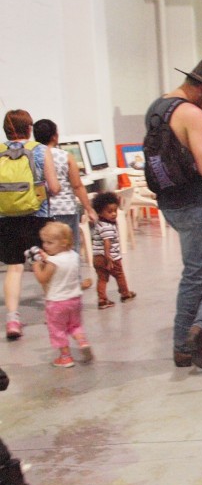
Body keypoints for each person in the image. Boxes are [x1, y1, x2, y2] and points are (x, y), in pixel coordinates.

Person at [145, 59, 202, 372]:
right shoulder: (192, 113)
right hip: (196, 204)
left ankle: (195, 335)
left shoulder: (158, 107)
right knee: (198, 275)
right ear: (201, 88)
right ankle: (189, 341)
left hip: (171, 202)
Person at [1, 110, 59, 341]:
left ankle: (13, 319)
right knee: (42, 261)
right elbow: (53, 187)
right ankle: (53, 312)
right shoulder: (40, 150)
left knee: (14, 267)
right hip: (38, 214)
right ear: (29, 128)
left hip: (5, 217)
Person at [32, 119, 97, 289]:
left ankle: (50, 283)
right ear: (55, 136)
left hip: (41, 209)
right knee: (70, 247)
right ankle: (74, 281)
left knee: (46, 248)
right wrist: (89, 208)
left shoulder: (33, 155)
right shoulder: (65, 156)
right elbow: (77, 185)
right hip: (65, 208)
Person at [29, 221, 91, 367]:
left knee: (58, 330)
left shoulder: (53, 262)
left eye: (49, 243)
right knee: (75, 325)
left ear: (63, 243)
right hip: (75, 299)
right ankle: (82, 341)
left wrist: (36, 265)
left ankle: (65, 357)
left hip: (57, 302)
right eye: (44, 242)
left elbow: (42, 278)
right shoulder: (74, 256)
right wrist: (47, 258)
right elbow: (62, 266)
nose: (45, 245)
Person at [90, 191, 135, 309]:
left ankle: (102, 299)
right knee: (119, 275)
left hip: (97, 257)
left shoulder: (98, 224)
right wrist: (108, 256)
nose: (114, 214)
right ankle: (125, 294)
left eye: (115, 211)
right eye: (109, 212)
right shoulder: (107, 227)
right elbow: (107, 242)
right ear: (100, 211)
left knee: (102, 278)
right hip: (110, 257)